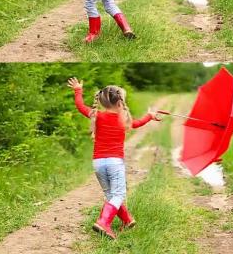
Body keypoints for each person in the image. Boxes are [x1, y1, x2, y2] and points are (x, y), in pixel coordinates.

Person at [67, 77, 162, 239]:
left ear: (102, 101)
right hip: (114, 163)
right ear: (120, 103)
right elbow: (138, 123)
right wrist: (150, 116)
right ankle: (104, 222)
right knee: (118, 194)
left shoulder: (96, 115)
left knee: (111, 194)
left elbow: (80, 106)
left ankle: (127, 219)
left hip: (98, 163)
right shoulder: (123, 119)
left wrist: (78, 90)